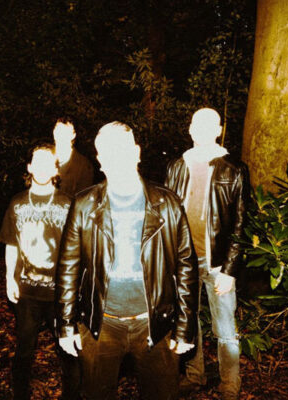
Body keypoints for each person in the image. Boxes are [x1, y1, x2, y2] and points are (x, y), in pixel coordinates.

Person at [56, 121, 198, 400]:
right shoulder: (84, 204)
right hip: (100, 325)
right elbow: (68, 267)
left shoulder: (167, 203)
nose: (115, 158)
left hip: (155, 322)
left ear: (136, 152)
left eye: (121, 150)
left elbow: (186, 266)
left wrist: (185, 327)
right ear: (100, 160)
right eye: (107, 152)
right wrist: (65, 324)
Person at [165, 108, 250, 400]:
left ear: (218, 130)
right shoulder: (176, 167)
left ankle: (230, 384)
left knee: (225, 328)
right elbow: (166, 215)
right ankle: (195, 375)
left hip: (218, 264)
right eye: (196, 124)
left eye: (208, 125)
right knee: (189, 322)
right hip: (184, 262)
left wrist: (230, 270)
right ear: (190, 129)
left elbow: (241, 222)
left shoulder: (234, 169)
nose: (201, 130)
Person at [0, 144, 79, 400]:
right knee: (24, 351)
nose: (42, 168)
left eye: (48, 163)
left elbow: (76, 250)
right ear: (29, 167)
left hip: (61, 294)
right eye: (37, 162)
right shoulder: (17, 203)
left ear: (56, 169)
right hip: (27, 293)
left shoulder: (68, 204)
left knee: (68, 352)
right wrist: (9, 278)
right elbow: (11, 243)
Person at [52, 117, 94, 197]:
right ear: (54, 133)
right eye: (58, 130)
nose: (61, 135)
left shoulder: (84, 166)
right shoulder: (44, 158)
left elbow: (83, 199)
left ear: (73, 135)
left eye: (65, 132)